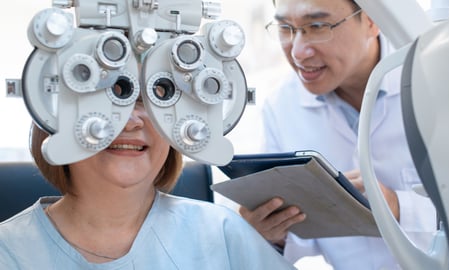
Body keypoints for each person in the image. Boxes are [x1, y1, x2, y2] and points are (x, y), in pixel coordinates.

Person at [238, 0, 437, 269]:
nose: (297, 52)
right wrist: (271, 232)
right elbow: (302, 237)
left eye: (318, 26)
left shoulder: (443, 84)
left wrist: (399, 208)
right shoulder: (281, 108)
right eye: (285, 28)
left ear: (370, 21)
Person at [0, 96, 295, 269]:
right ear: (53, 115)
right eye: (108, 97)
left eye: (156, 96)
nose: (131, 121)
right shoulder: (9, 251)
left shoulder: (222, 232)